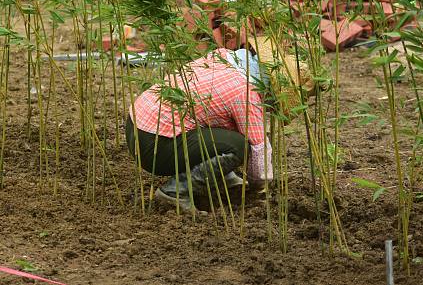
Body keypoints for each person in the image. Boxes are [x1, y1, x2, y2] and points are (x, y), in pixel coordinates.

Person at [126, 37, 308, 213]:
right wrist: (260, 186)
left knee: (219, 122)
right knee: (239, 146)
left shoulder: (221, 56)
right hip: (155, 146)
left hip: (135, 125)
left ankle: (222, 177)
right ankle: (175, 191)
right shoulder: (245, 92)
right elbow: (258, 148)